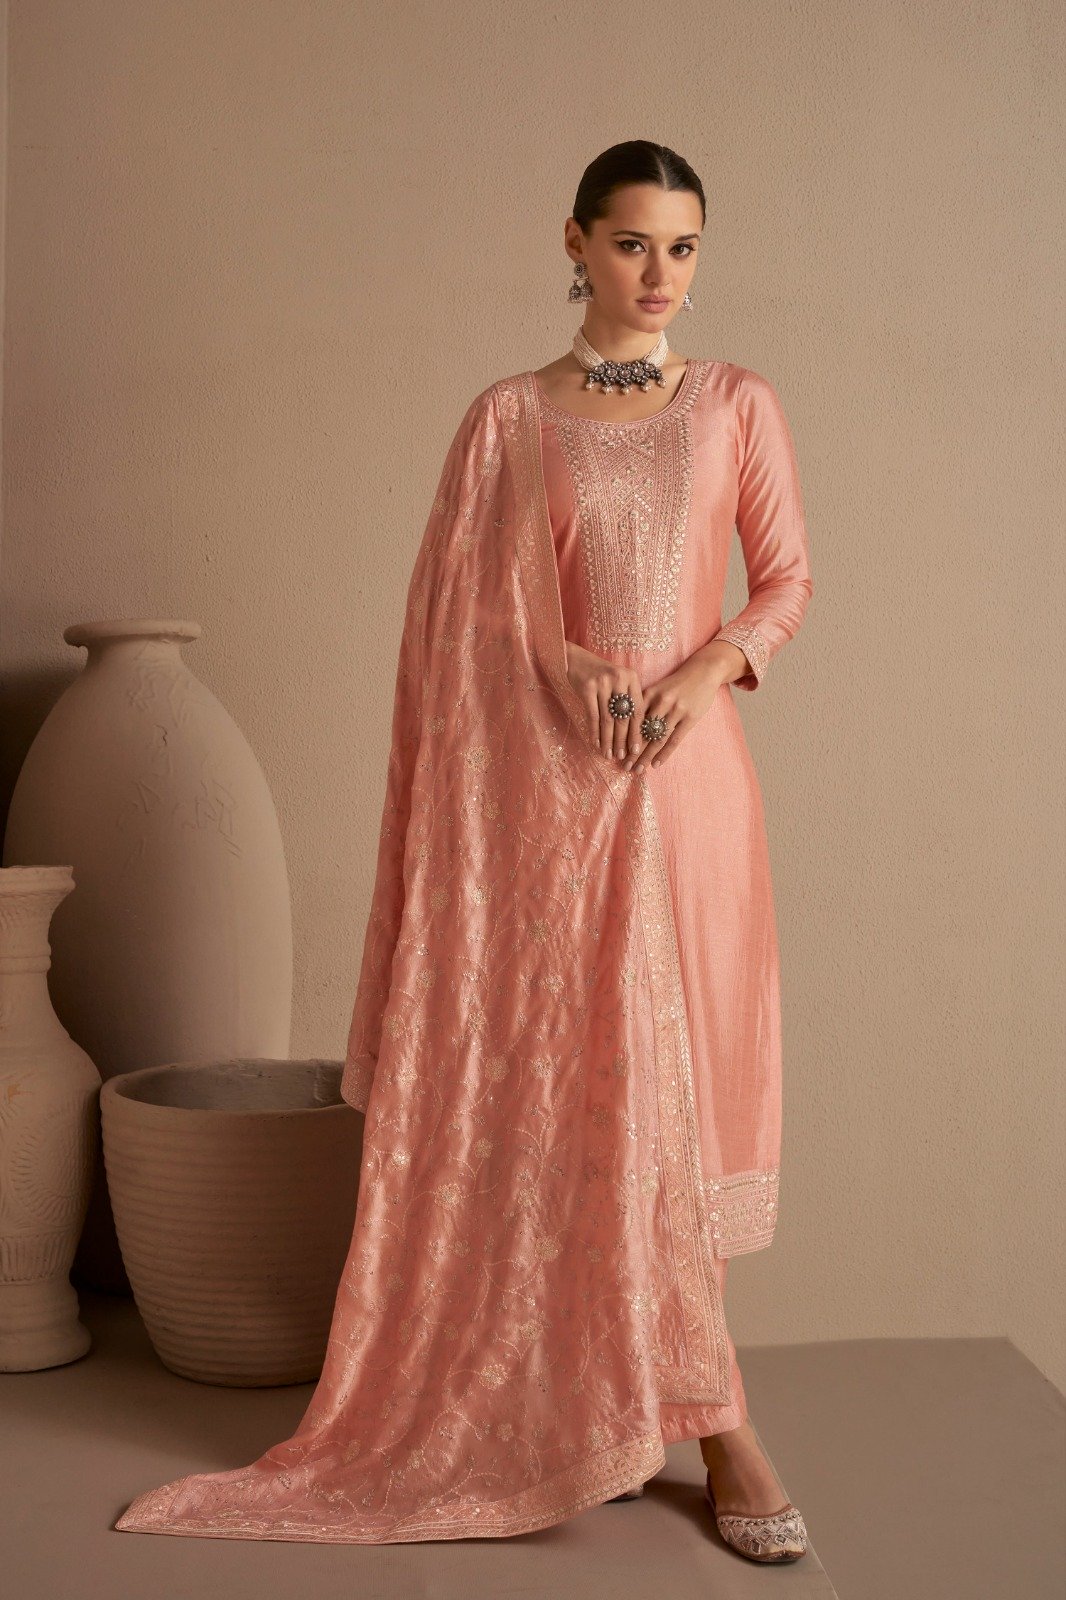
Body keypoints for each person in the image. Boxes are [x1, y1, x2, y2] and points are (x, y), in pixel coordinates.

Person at [114, 140, 813, 1564]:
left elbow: (787, 580)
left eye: (682, 248)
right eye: (632, 243)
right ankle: (667, 1418)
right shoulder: (509, 420)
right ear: (576, 242)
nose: (659, 275)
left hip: (689, 800)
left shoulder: (738, 404)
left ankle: (697, 1414)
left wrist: (705, 670)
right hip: (543, 810)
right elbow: (465, 620)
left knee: (675, 1109)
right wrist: (563, 664)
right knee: (572, 1103)